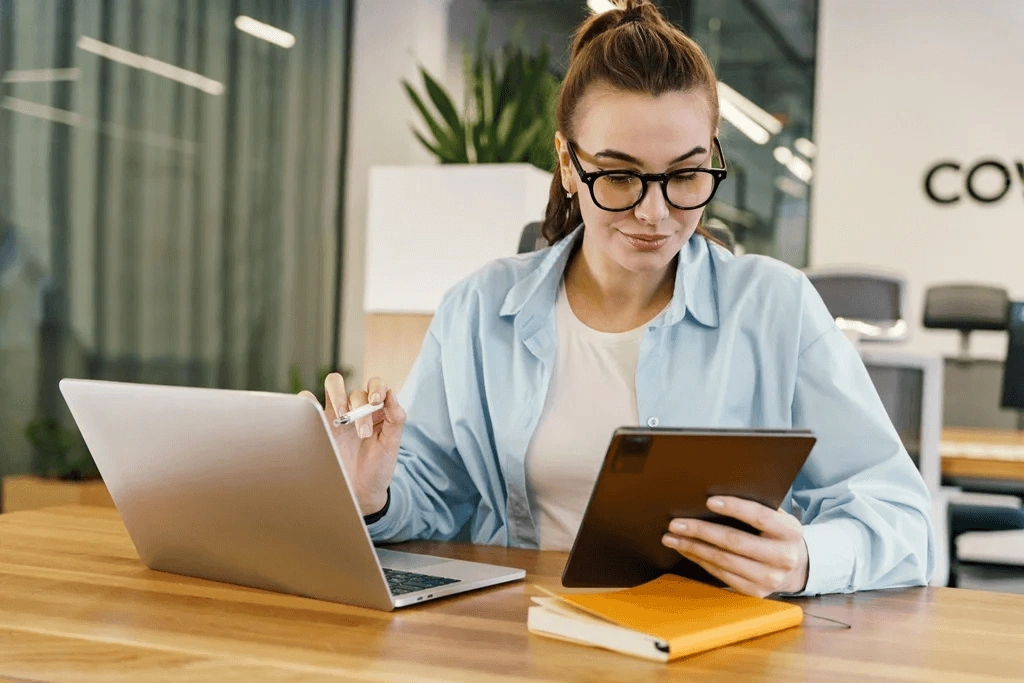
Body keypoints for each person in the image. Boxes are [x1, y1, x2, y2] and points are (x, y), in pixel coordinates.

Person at [303, 0, 933, 597]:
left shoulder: (776, 308)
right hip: (519, 634)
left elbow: (902, 517)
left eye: (685, 175)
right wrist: (373, 495)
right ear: (568, 164)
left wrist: (806, 559)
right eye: (620, 175)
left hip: (709, 643)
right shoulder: (479, 308)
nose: (654, 212)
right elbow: (434, 497)